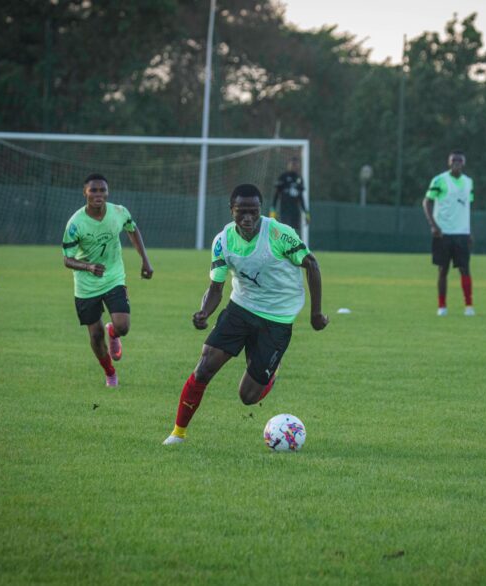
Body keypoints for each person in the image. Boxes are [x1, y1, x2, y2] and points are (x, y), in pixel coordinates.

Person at [163, 183, 328, 445]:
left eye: (253, 211)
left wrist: (316, 314)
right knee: (204, 367)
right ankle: (177, 433)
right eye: (241, 212)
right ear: (232, 210)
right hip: (241, 309)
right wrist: (204, 312)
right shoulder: (223, 241)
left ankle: (271, 372)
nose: (248, 218)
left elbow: (312, 264)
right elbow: (215, 288)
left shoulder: (278, 234)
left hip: (277, 318)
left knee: (248, 396)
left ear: (261, 210)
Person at [62, 173, 153, 387]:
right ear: (85, 192)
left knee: (123, 326)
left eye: (102, 190)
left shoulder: (119, 212)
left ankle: (114, 331)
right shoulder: (75, 223)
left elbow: (132, 230)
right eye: (93, 190)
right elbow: (66, 259)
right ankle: (110, 373)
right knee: (95, 335)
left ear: (107, 192)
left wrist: (145, 261)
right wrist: (88, 266)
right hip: (86, 285)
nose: (98, 194)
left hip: (113, 277)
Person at [422, 150, 475, 316]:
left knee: (465, 269)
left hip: (462, 233)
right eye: (453, 161)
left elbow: (466, 207)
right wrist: (433, 225)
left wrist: (469, 231)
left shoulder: (469, 182)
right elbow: (426, 202)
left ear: (463, 164)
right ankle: (442, 306)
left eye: (459, 161)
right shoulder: (439, 180)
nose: (456, 164)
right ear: (449, 163)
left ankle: (469, 306)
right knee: (442, 270)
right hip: (443, 233)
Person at [270, 156, 308, 232]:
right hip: (284, 209)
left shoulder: (299, 178)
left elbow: (301, 197)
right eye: (292, 164)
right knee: (284, 231)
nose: (294, 166)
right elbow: (276, 195)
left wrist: (306, 212)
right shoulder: (283, 177)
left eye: (296, 165)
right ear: (288, 165)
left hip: (295, 210)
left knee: (294, 232)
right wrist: (273, 209)